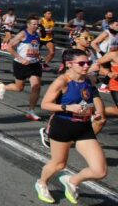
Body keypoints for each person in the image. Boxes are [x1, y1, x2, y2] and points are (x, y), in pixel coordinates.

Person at [34, 49, 107, 204]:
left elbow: (93, 97)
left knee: (99, 171)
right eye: (82, 63)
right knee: (59, 164)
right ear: (69, 64)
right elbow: (45, 104)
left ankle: (72, 181)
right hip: (63, 126)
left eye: (88, 62)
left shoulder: (88, 79)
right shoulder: (62, 81)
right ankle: (41, 183)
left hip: (84, 128)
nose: (86, 66)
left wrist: (97, 112)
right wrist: (67, 107)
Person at [0, 15, 44, 121]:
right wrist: (20, 58)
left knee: (36, 86)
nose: (36, 26)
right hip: (21, 64)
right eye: (34, 24)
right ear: (28, 25)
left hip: (34, 64)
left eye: (38, 24)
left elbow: (34, 47)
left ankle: (31, 111)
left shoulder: (37, 34)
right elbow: (9, 47)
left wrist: (38, 56)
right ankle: (3, 87)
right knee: (19, 88)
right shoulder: (23, 34)